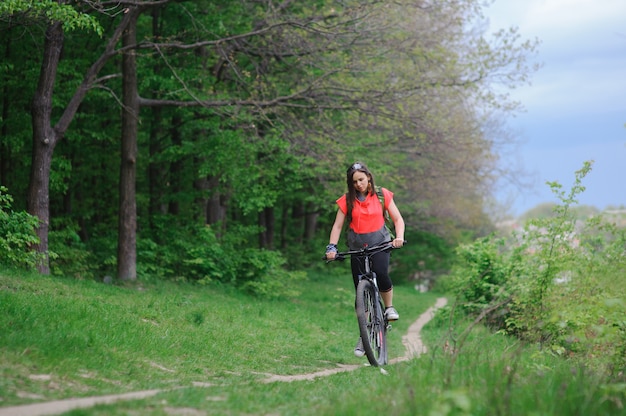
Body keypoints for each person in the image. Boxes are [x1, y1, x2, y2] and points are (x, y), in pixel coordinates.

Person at [325, 162, 405, 357]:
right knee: (359, 294)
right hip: (357, 249)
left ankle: (388, 308)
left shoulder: (381, 195)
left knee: (382, 273)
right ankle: (364, 334)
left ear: (368, 177)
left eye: (361, 179)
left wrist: (399, 237)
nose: (358, 184)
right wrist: (332, 247)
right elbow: (337, 226)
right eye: (354, 182)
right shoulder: (347, 201)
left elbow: (398, 219)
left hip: (381, 244)